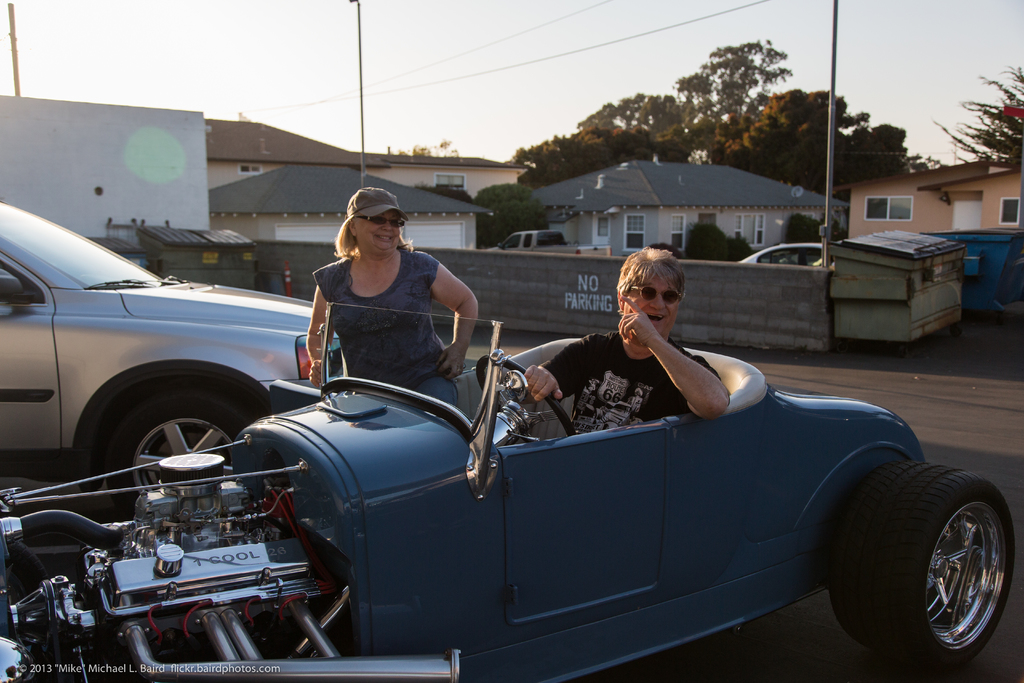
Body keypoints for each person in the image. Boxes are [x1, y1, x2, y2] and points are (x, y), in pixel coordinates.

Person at [525, 247, 728, 432]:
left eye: (670, 296)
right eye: (648, 292)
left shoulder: (684, 367)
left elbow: (715, 404)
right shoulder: (592, 349)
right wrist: (538, 380)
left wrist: (652, 339)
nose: (659, 304)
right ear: (623, 300)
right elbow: (528, 395)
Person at [306, 187, 478, 405]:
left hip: (424, 384)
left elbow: (466, 301)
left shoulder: (422, 266)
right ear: (353, 226)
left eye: (395, 221)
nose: (388, 227)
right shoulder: (330, 279)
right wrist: (319, 362)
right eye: (378, 219)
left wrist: (458, 349)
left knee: (433, 436)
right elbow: (316, 334)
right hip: (363, 392)